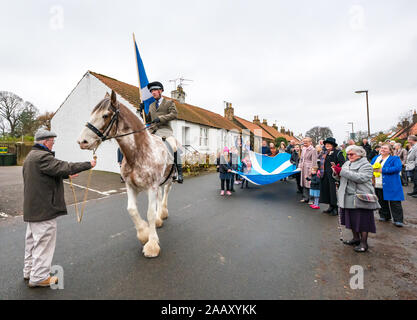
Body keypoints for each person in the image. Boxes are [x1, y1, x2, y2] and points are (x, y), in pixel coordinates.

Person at [23, 129, 96, 287]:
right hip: (44, 209)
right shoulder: (43, 156)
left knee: (32, 243)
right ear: (45, 141)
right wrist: (88, 164)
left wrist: (64, 175)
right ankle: (40, 277)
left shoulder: (31, 156)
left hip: (33, 209)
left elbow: (48, 172)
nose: (53, 144)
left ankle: (29, 272)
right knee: (44, 244)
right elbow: (65, 166)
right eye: (52, 141)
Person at [332, 145, 378, 253]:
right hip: (347, 195)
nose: (349, 156)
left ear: (359, 153)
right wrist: (336, 172)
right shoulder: (347, 163)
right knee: (351, 219)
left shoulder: (366, 165)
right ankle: (356, 238)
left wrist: (342, 171)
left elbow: (361, 178)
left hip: (360, 196)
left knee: (363, 220)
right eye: (347, 154)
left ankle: (364, 243)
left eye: (351, 154)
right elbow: (341, 177)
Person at [140, 81, 183, 183]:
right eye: (151, 91)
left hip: (165, 130)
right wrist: (141, 112)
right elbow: (148, 120)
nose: (153, 93)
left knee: (173, 146)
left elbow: (174, 114)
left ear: (160, 91)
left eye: (155, 90)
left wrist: (161, 118)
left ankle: (179, 173)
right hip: (152, 130)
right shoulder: (151, 105)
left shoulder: (169, 103)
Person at [371, 143, 405, 227]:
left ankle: (398, 220)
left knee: (394, 202)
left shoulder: (394, 158)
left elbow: (398, 168)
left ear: (390, 151)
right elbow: (370, 166)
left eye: (385, 148)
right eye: (381, 148)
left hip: (391, 183)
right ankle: (384, 216)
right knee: (381, 200)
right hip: (377, 183)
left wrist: (383, 170)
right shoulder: (376, 158)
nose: (382, 149)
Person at [319, 137, 346, 216]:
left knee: (334, 192)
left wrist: (335, 167)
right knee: (327, 191)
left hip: (334, 176)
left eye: (329, 144)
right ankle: (330, 206)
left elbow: (342, 163)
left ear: (333, 145)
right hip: (325, 175)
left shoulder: (338, 153)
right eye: (326, 144)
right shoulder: (324, 153)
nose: (327, 145)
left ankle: (335, 208)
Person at [298, 137, 318, 204]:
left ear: (310, 142)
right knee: (304, 183)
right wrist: (300, 166)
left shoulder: (313, 150)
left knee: (310, 183)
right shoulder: (303, 149)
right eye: (304, 142)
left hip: (309, 168)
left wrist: (313, 170)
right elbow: (301, 158)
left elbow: (314, 161)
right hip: (303, 168)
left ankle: (311, 199)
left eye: (306, 142)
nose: (304, 143)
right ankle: (305, 197)